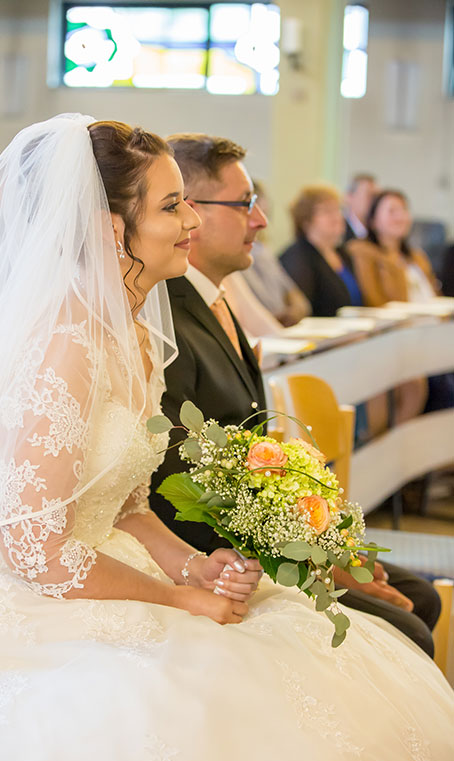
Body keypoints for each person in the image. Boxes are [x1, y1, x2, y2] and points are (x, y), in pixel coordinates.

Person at [0, 115, 452, 761]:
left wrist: (198, 564)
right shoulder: (63, 343)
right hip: (36, 597)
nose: (191, 219)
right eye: (171, 205)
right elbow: (35, 550)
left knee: (313, 661)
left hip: (107, 559)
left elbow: (128, 506)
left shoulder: (130, 329)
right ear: (109, 227)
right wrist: (177, 600)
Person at [150, 134, 440, 655]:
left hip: (255, 529)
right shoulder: (164, 317)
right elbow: (177, 486)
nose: (261, 220)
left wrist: (333, 544)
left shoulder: (211, 297)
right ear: (192, 211)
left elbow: (254, 453)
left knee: (417, 596)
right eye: (244, 205)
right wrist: (314, 560)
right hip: (214, 550)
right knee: (411, 623)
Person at [348, 190, 454, 413]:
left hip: (431, 336)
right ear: (374, 219)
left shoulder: (415, 256)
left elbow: (433, 295)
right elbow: (374, 300)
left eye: (404, 210)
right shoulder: (363, 252)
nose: (401, 216)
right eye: (391, 211)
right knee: (420, 386)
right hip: (397, 339)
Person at [228, 181, 310, 328]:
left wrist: (295, 311)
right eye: (251, 207)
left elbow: (295, 294)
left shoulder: (264, 251)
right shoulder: (232, 253)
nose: (263, 222)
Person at [279, 184, 361, 316]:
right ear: (306, 220)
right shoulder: (297, 258)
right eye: (327, 211)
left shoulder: (343, 254)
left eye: (338, 209)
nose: (336, 217)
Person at [343, 173, 379, 242]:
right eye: (369, 195)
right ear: (349, 197)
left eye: (376, 197)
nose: (375, 201)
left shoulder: (378, 234)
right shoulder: (339, 231)